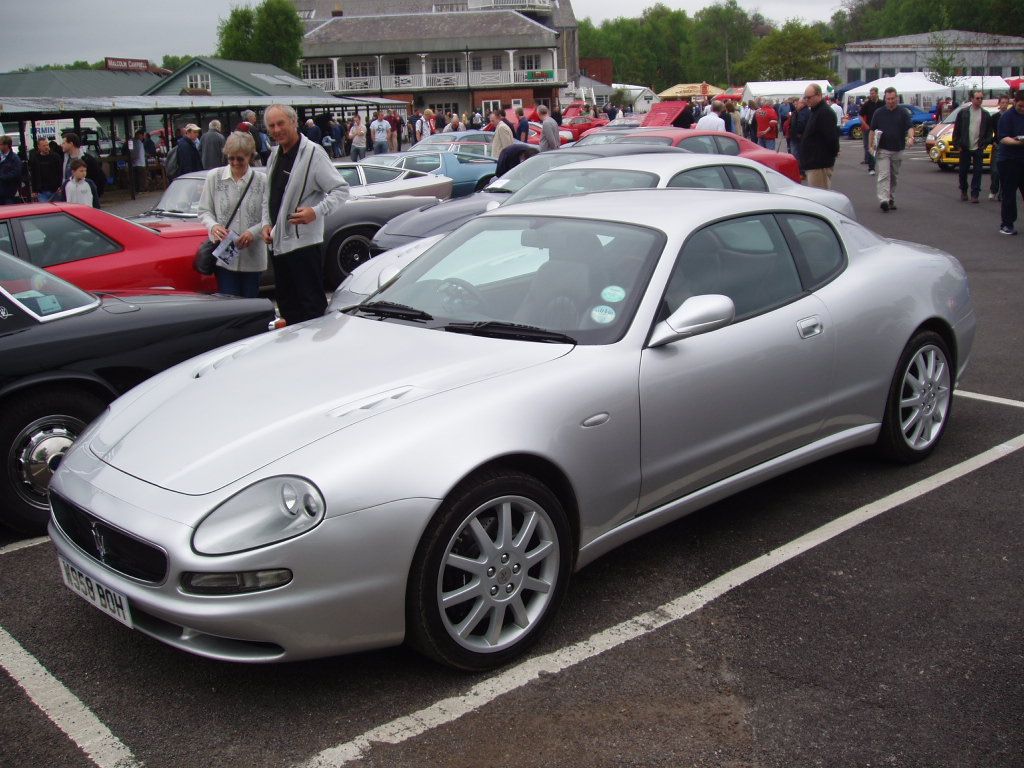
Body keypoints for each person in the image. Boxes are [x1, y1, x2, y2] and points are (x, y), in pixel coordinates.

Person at [260, 104, 349, 324]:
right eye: (271, 125)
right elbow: (267, 196)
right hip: (279, 245)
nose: (277, 129)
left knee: (311, 307)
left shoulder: (313, 153)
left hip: (304, 245)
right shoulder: (275, 155)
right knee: (288, 307)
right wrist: (265, 224)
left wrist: (316, 212)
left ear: (294, 122)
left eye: (281, 123)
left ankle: (317, 352)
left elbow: (341, 190)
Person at [197, 131, 268, 298]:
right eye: (231, 158)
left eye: (240, 159)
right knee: (230, 302)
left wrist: (254, 232)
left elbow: (269, 215)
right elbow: (204, 210)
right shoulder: (214, 177)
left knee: (250, 304)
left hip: (253, 254)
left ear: (251, 156)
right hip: (225, 254)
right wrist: (214, 226)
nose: (235, 163)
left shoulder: (262, 180)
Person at [869, 86, 915, 212]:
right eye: (888, 99)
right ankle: (884, 200)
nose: (890, 101)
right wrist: (870, 146)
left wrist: (911, 137)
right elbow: (872, 130)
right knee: (884, 174)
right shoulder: (879, 113)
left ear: (897, 98)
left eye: (893, 98)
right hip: (883, 149)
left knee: (893, 176)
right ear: (885, 98)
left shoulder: (903, 112)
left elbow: (910, 127)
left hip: (898, 148)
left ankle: (891, 198)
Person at [952, 90, 994, 204]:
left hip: (978, 147)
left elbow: (989, 132)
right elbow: (957, 130)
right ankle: (964, 190)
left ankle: (975, 194)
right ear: (971, 99)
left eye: (981, 98)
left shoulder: (985, 114)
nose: (979, 100)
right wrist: (957, 144)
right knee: (963, 171)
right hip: (965, 146)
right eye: (977, 98)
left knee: (978, 171)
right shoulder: (963, 113)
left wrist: (985, 143)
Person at [800, 83, 840, 190]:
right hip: (813, 163)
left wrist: (831, 155)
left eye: (809, 97)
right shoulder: (815, 111)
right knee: (816, 195)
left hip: (820, 164)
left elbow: (831, 138)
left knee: (820, 197)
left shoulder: (825, 113)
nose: (806, 100)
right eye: (805, 97)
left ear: (819, 95)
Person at [995, 91, 1024, 235]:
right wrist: (1018, 142)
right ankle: (1007, 224)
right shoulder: (1007, 117)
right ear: (1015, 102)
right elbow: (1002, 138)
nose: (1022, 109)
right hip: (1009, 160)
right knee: (1009, 193)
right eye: (1020, 106)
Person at [60, 132, 105, 198]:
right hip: (69, 196)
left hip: (84, 197)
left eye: (64, 143)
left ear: (71, 144)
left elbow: (100, 178)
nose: (61, 145)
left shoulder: (87, 159)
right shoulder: (64, 159)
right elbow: (65, 177)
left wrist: (93, 195)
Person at [989, 95, 1011, 201]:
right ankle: (994, 189)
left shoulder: (1010, 117)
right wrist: (992, 142)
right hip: (997, 146)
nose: (1004, 105)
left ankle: (1003, 192)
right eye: (1002, 103)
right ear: (999, 104)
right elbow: (989, 132)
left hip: (1008, 146)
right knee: (995, 171)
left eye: (1006, 103)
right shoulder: (994, 117)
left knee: (1005, 171)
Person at [28, 137, 62, 202]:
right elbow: (34, 175)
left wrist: (60, 186)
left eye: (47, 145)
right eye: (44, 146)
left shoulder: (55, 157)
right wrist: (34, 190)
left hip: (55, 190)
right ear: (39, 147)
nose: (46, 147)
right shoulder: (35, 158)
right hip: (42, 191)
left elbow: (60, 172)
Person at [859, 87, 882, 175]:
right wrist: (865, 124)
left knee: (880, 148)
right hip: (869, 129)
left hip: (879, 129)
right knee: (870, 147)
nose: (871, 95)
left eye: (873, 93)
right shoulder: (867, 104)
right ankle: (871, 167)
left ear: (877, 93)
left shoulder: (882, 103)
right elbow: (860, 115)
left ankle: (882, 166)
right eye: (870, 93)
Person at [0, 136, 22, 205]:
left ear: (6, 145)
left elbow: (16, 173)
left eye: (0, 144)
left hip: (9, 194)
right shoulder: (1, 156)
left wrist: (2, 177)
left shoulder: (14, 158)